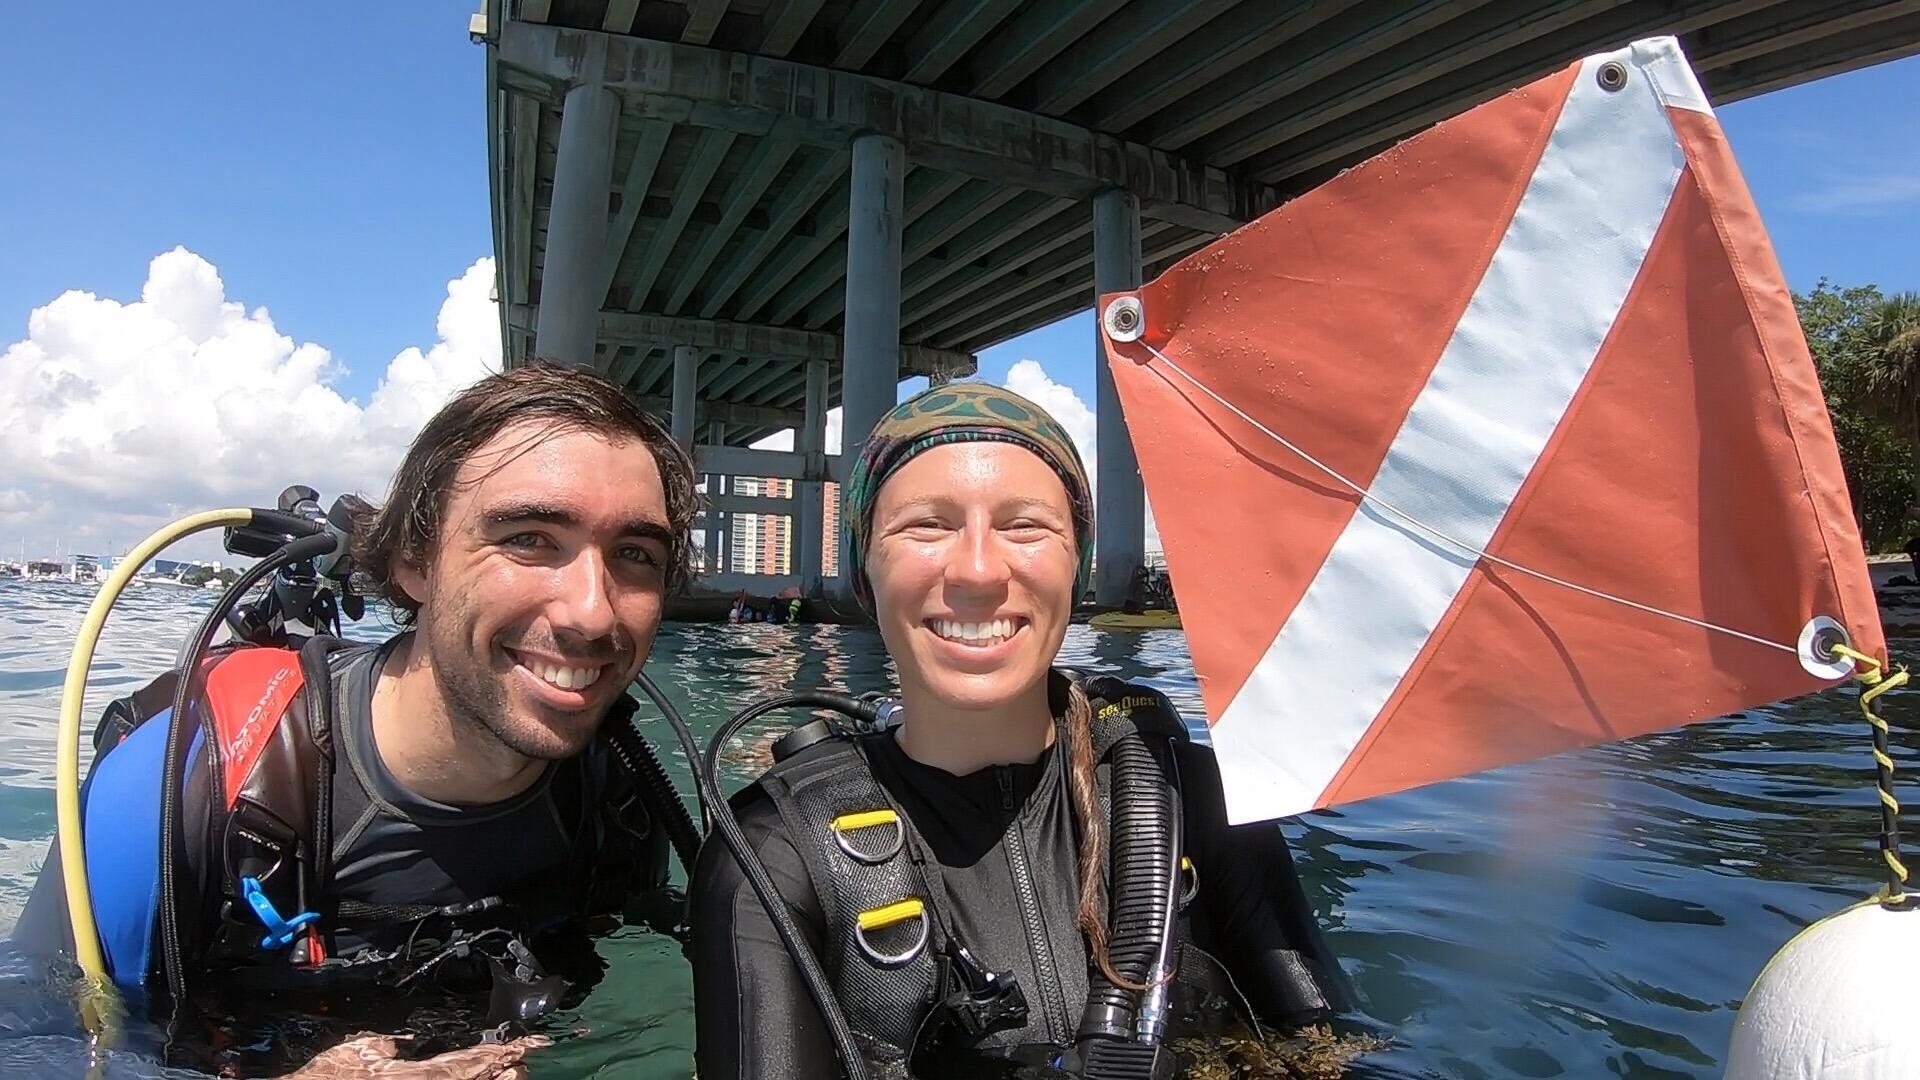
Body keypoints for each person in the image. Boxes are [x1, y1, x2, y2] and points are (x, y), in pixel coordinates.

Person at [11, 362, 701, 1077]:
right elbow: (31, 1041)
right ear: (413, 561)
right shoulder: (186, 776)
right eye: (528, 539)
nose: (592, 612)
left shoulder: (616, 796)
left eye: (633, 554)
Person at [689, 384, 1349, 1079]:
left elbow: (1335, 1053)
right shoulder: (774, 856)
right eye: (926, 526)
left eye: (1026, 526)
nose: (978, 570)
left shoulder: (1191, 798)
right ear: (865, 572)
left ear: (1078, 565)